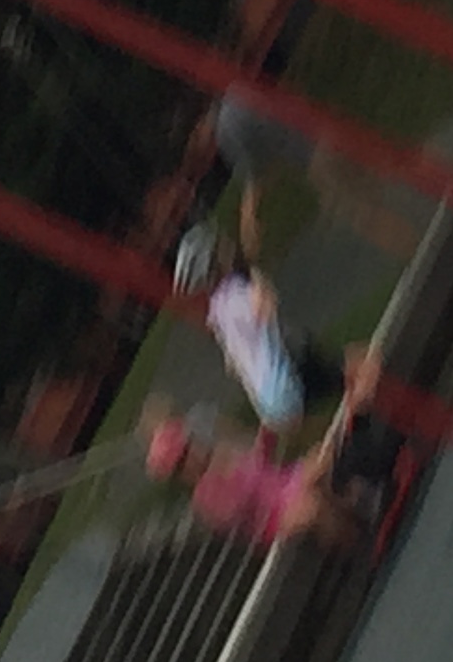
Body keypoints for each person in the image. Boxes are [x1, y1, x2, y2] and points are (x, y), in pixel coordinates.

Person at [141, 354, 395, 553]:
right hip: (274, 517)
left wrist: (266, 435)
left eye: (190, 447)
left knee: (324, 456)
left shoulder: (222, 453)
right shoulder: (205, 496)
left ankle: (367, 495)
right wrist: (226, 475)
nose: (194, 453)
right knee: (309, 505)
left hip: (285, 481)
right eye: (185, 458)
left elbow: (259, 464)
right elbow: (242, 511)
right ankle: (359, 543)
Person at [208, 88, 425, 262]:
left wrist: (248, 214)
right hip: (327, 129)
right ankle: (429, 212)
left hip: (314, 157)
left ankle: (419, 252)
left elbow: (259, 168)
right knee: (375, 181)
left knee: (363, 215)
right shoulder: (244, 91)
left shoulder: (226, 124)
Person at [173, 219, 345, 434]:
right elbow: (267, 305)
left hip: (268, 404)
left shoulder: (218, 310)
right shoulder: (234, 293)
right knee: (353, 371)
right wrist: (254, 270)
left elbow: (232, 366)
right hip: (283, 385)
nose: (227, 241)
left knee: (332, 420)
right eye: (219, 243)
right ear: (215, 260)